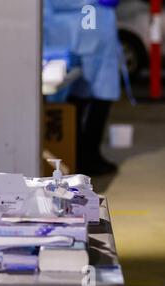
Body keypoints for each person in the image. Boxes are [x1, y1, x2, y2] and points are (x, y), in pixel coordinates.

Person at [44, 0, 121, 175]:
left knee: (67, 90)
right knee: (101, 91)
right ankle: (89, 156)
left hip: (58, 29)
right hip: (95, 23)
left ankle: (73, 152)